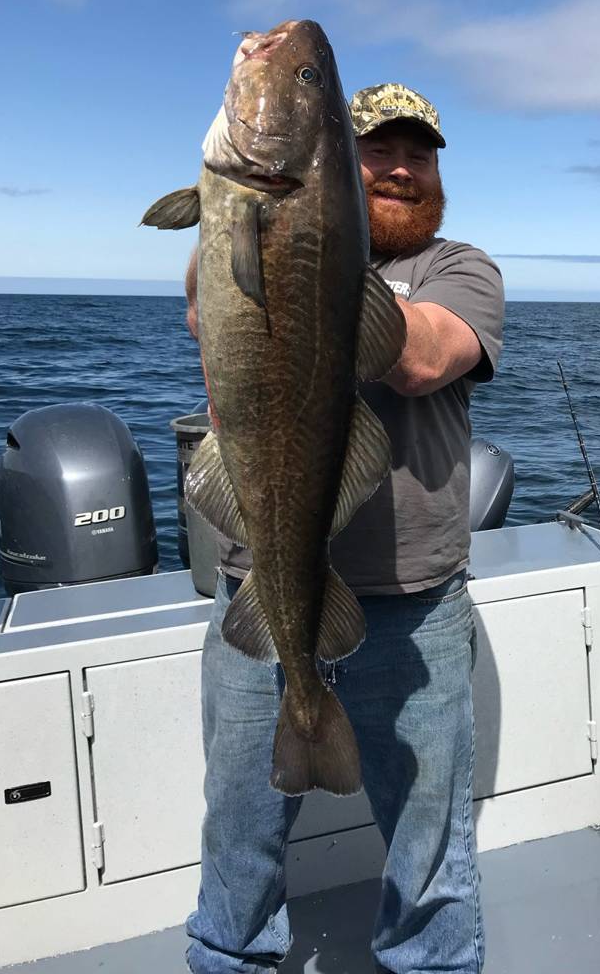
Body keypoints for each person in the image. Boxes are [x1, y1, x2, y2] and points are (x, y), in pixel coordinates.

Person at [184, 83, 505, 974]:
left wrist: (316, 258)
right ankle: (229, 959)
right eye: (377, 150)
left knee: (432, 847)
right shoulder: (253, 225)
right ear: (335, 162)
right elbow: (204, 311)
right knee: (238, 833)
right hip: (263, 588)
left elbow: (426, 357)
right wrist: (252, 230)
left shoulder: (463, 267)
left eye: (422, 153)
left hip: (416, 609)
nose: (402, 167)